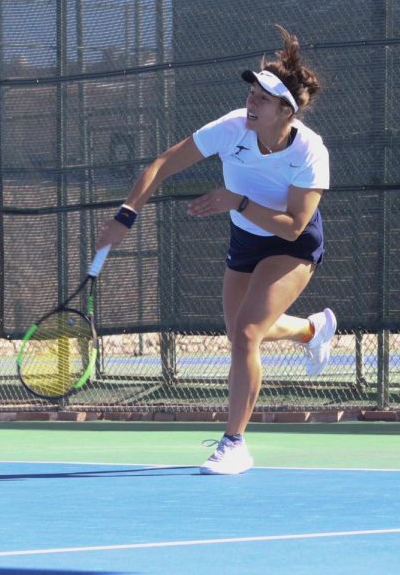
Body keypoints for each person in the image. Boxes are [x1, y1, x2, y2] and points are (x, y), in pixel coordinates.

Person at [95, 25, 336, 475]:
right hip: (245, 240)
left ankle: (235, 444)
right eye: (252, 92)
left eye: (264, 98)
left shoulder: (310, 152)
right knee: (241, 335)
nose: (252, 101)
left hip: (293, 245)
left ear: (288, 110)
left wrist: (237, 200)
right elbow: (163, 163)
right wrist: (126, 215)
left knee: (247, 332)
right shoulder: (231, 129)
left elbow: (293, 226)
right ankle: (311, 331)